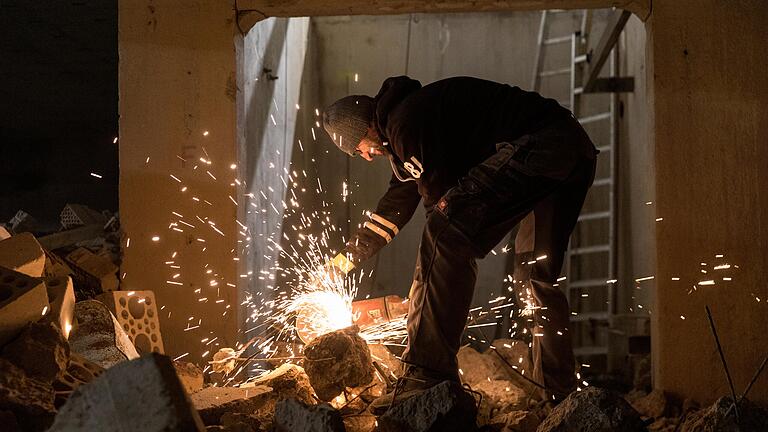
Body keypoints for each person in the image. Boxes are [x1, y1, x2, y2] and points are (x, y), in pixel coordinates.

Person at [321, 76, 597, 414]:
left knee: (444, 233)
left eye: (358, 148)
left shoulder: (405, 123)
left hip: (537, 147)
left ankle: (426, 373)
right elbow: (397, 204)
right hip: (569, 149)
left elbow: (441, 214)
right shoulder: (406, 130)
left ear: (365, 130)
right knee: (534, 276)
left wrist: (427, 288)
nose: (364, 157)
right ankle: (560, 394)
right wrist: (343, 262)